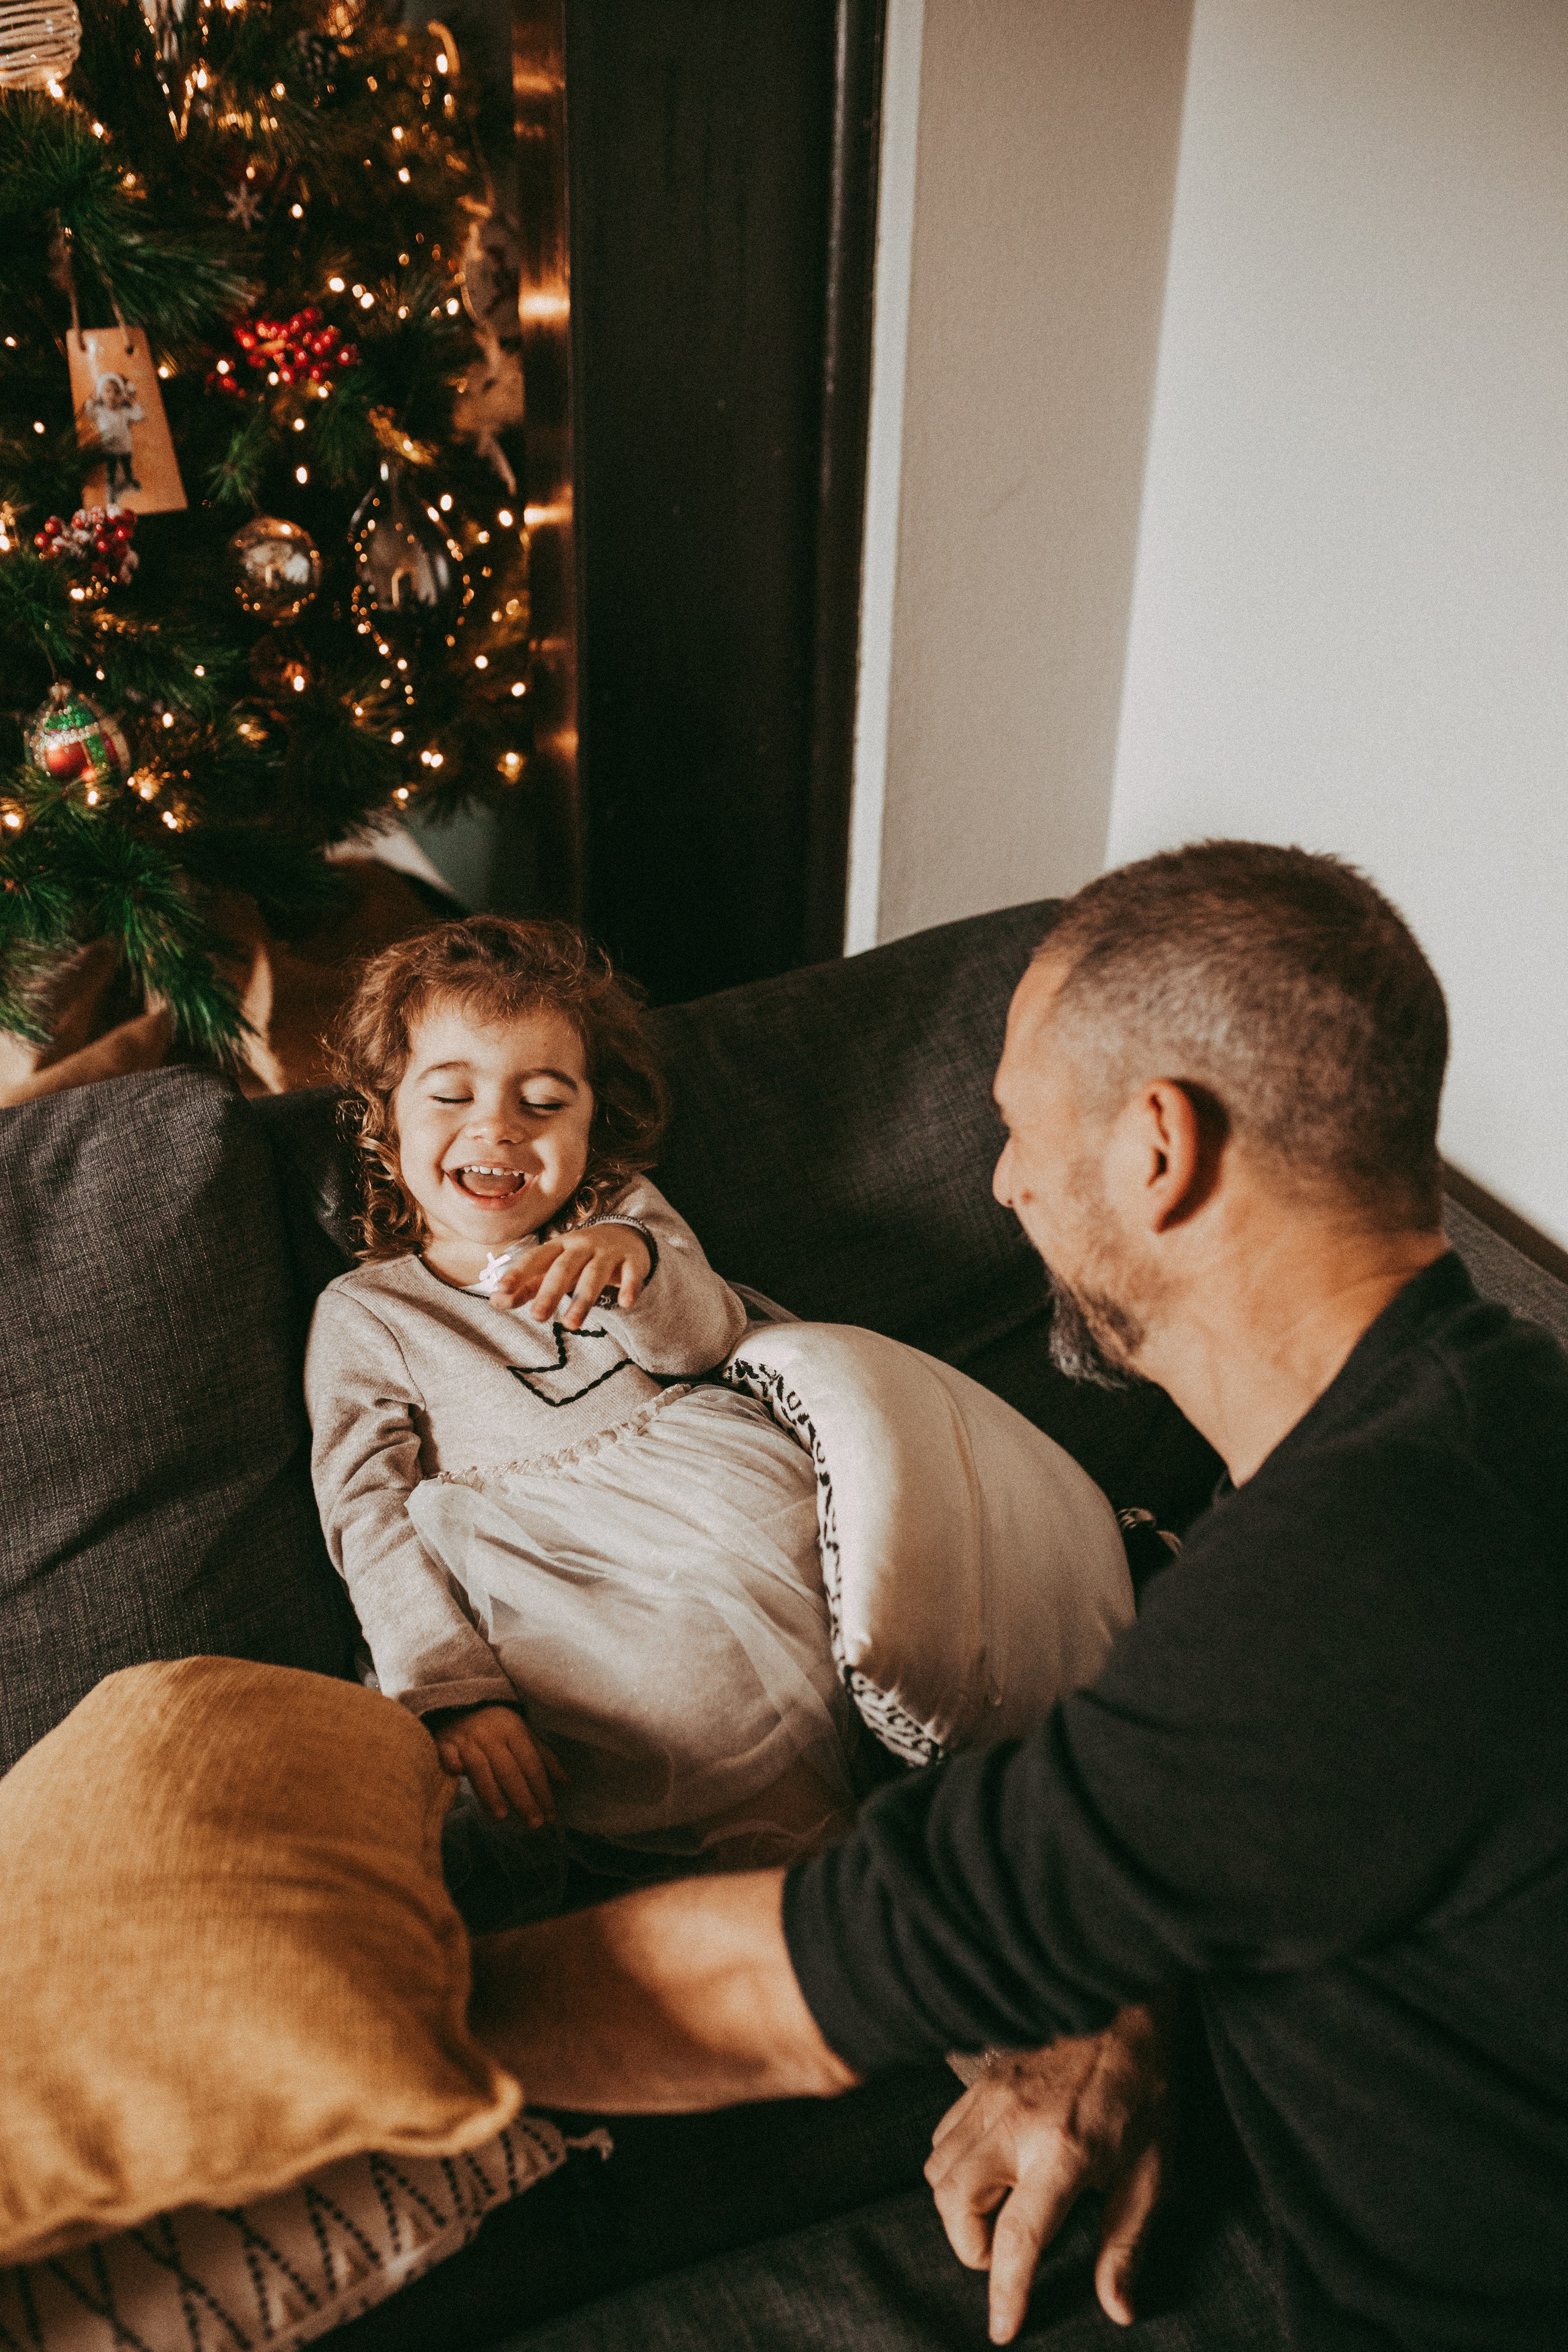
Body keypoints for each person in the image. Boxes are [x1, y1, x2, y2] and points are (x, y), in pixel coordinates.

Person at [467, 844, 1568, 2352]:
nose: (1002, 1183)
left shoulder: (1348, 1577)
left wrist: (347, 2014)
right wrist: (1126, 2005)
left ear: (1157, 1148)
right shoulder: (1479, 1415)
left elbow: (795, 1982)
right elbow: (1267, 1821)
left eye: (1016, 1128)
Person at [305, 916, 858, 1875]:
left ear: (592, 1124)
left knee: (864, 1574)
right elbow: (368, 1512)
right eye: (452, 1094)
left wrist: (632, 1258)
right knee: (671, 1690)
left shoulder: (621, 1214)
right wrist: (451, 1687)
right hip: (555, 1584)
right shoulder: (372, 1312)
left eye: (543, 1101)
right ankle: (795, 1879)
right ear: (384, 1119)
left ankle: (855, 1845)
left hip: (724, 1510)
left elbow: (704, 1342)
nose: (498, 1126)